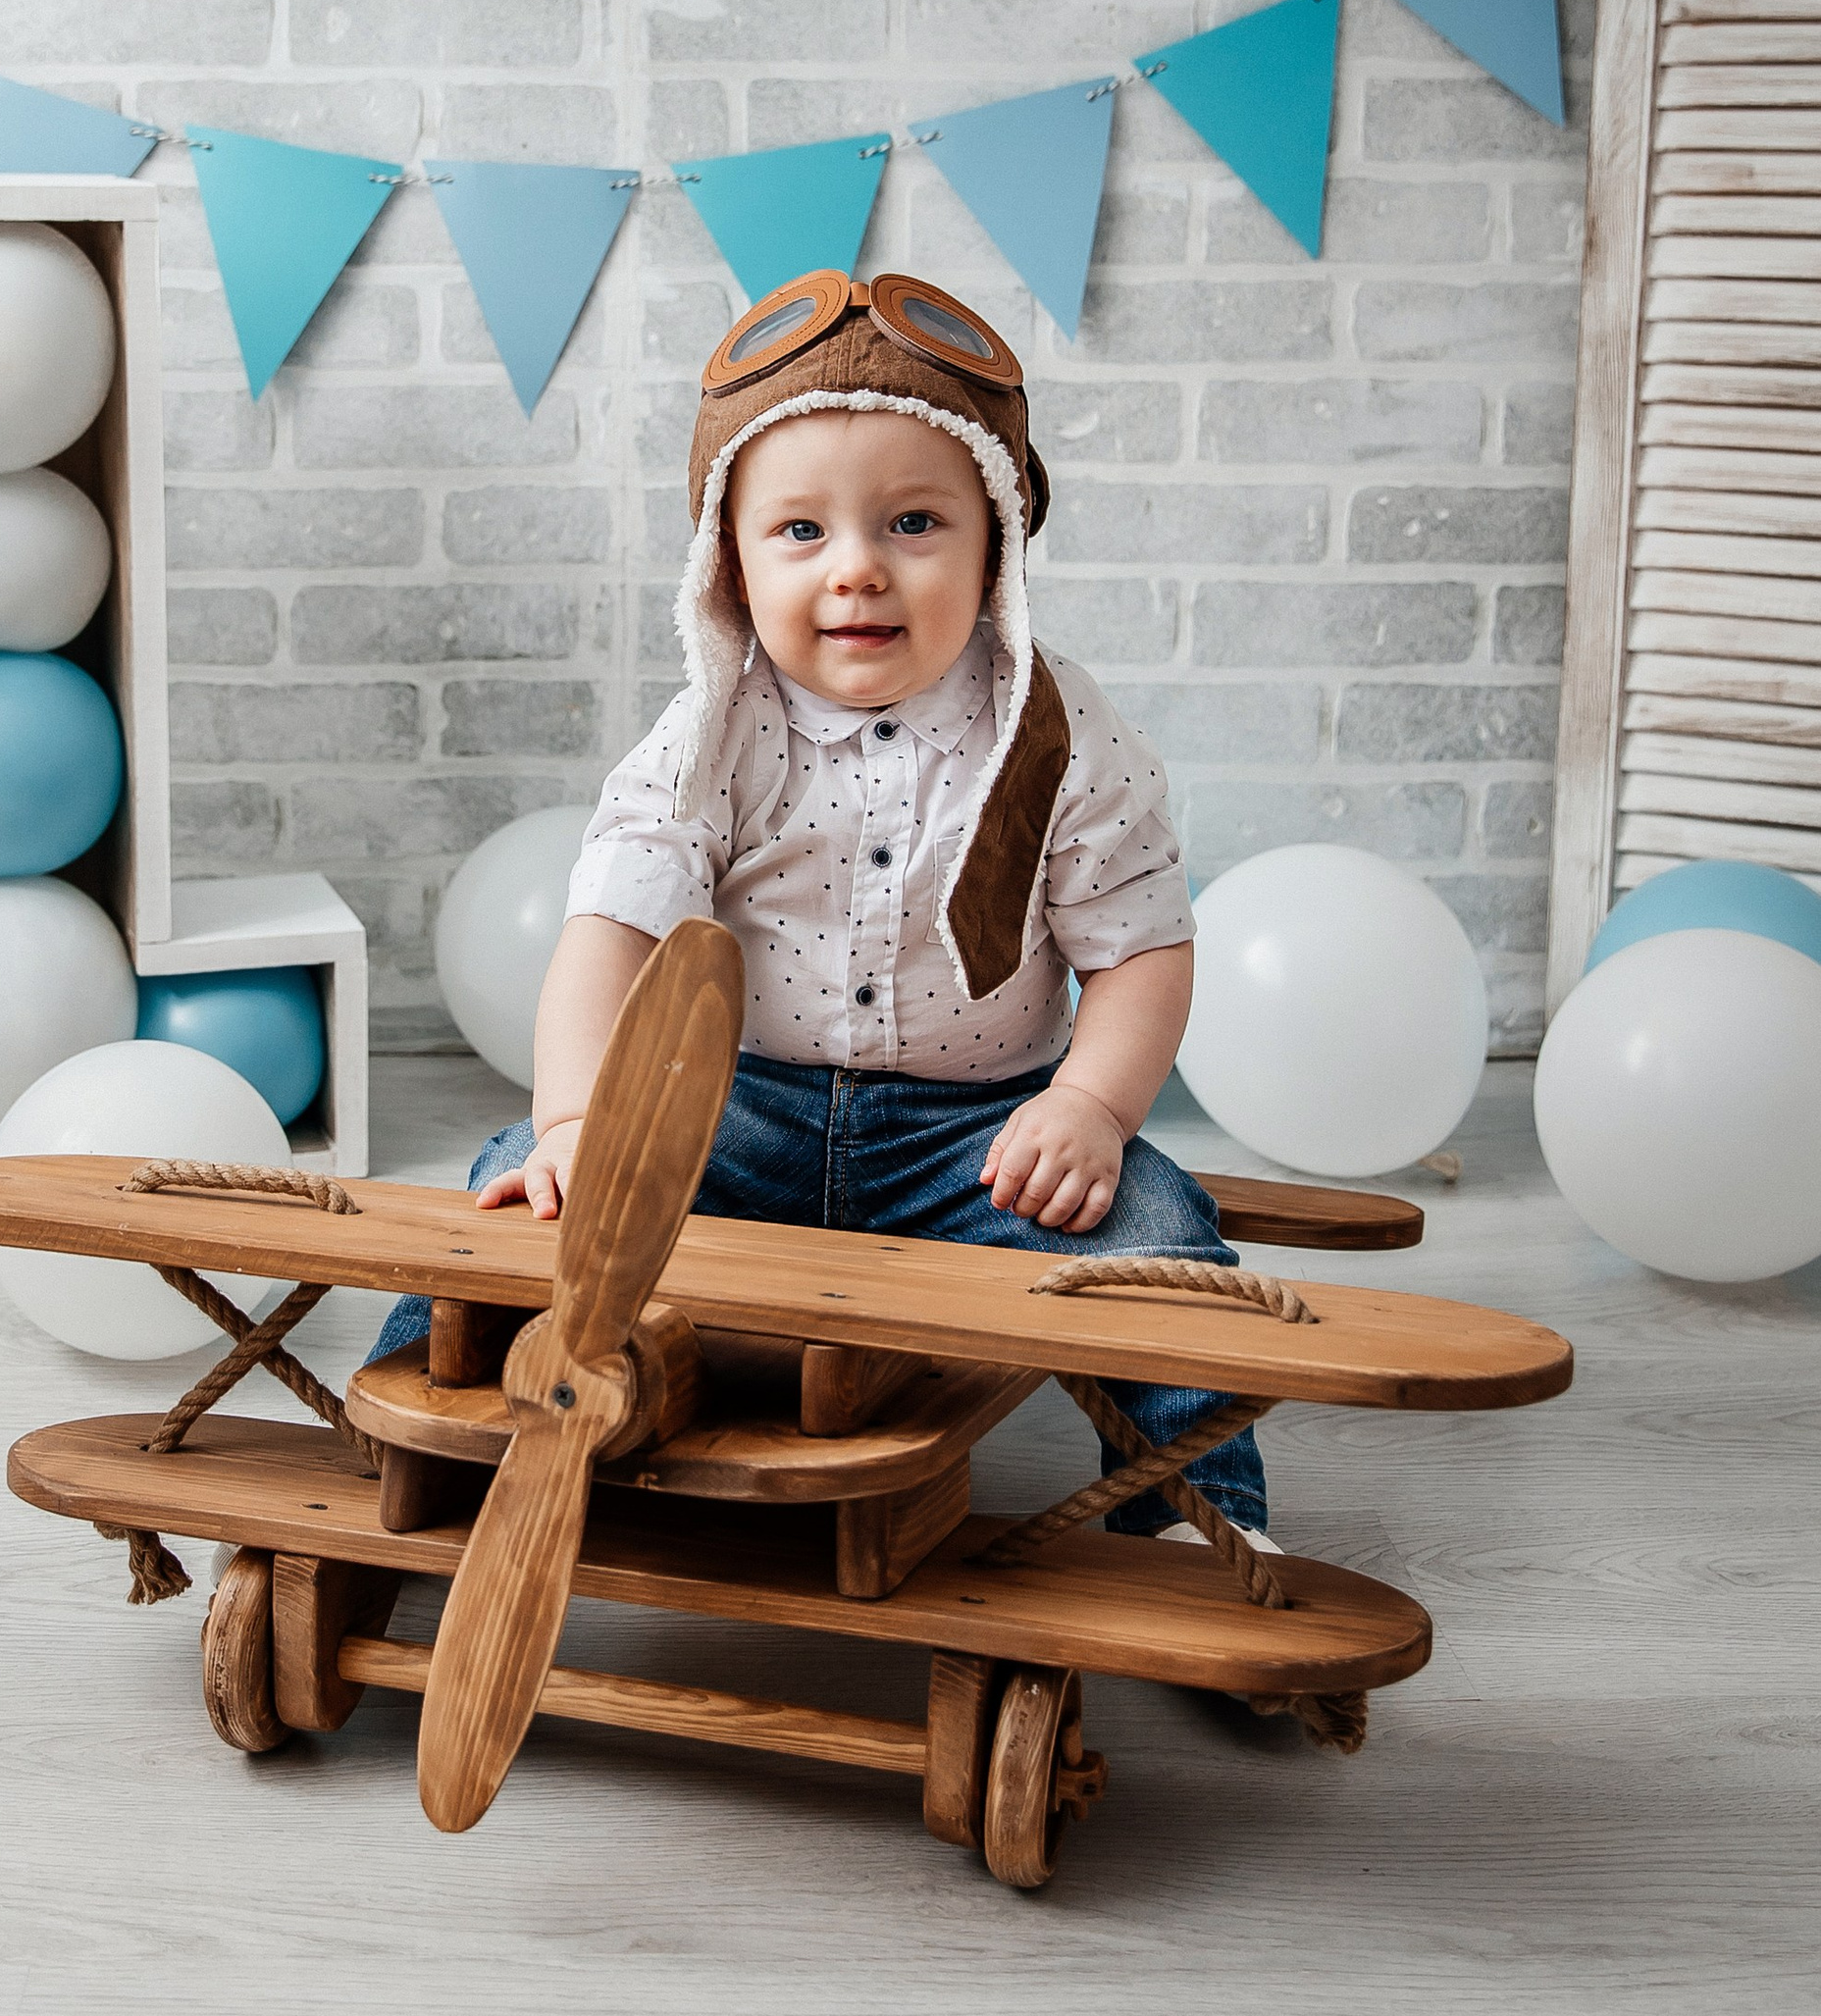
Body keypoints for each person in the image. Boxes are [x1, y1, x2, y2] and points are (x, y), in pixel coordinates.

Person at [378, 264, 1274, 1546]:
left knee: (1157, 1229)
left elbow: (1141, 952)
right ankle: (416, 1443)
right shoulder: (713, 732)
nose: (858, 571)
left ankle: (1194, 1516)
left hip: (977, 1142)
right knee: (516, 1186)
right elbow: (612, 933)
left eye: (913, 523)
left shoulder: (1060, 734)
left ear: (996, 540)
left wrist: (1088, 1106)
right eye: (801, 531)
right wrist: (578, 1119)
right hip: (729, 1114)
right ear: (729, 563)